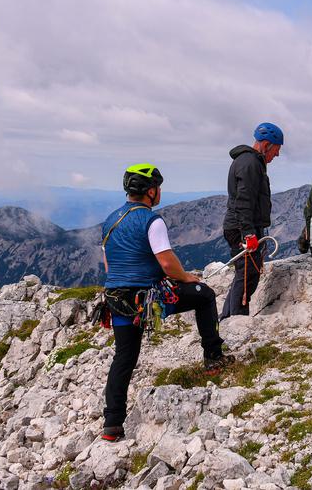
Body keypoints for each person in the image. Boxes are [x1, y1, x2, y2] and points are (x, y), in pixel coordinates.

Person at [99, 163, 229, 442]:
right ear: (150, 191)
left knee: (124, 357)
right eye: (158, 188)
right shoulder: (151, 221)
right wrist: (187, 278)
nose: (159, 193)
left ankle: (112, 424)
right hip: (147, 298)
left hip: (117, 300)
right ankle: (214, 359)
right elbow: (168, 264)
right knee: (204, 295)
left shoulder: (110, 220)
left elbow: (110, 265)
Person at [221, 122, 283, 318]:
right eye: (276, 149)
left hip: (244, 226)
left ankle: (227, 318)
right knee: (248, 275)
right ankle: (236, 321)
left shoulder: (251, 162)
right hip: (242, 228)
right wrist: (248, 233)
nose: (277, 154)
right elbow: (244, 200)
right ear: (266, 145)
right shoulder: (250, 164)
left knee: (246, 274)